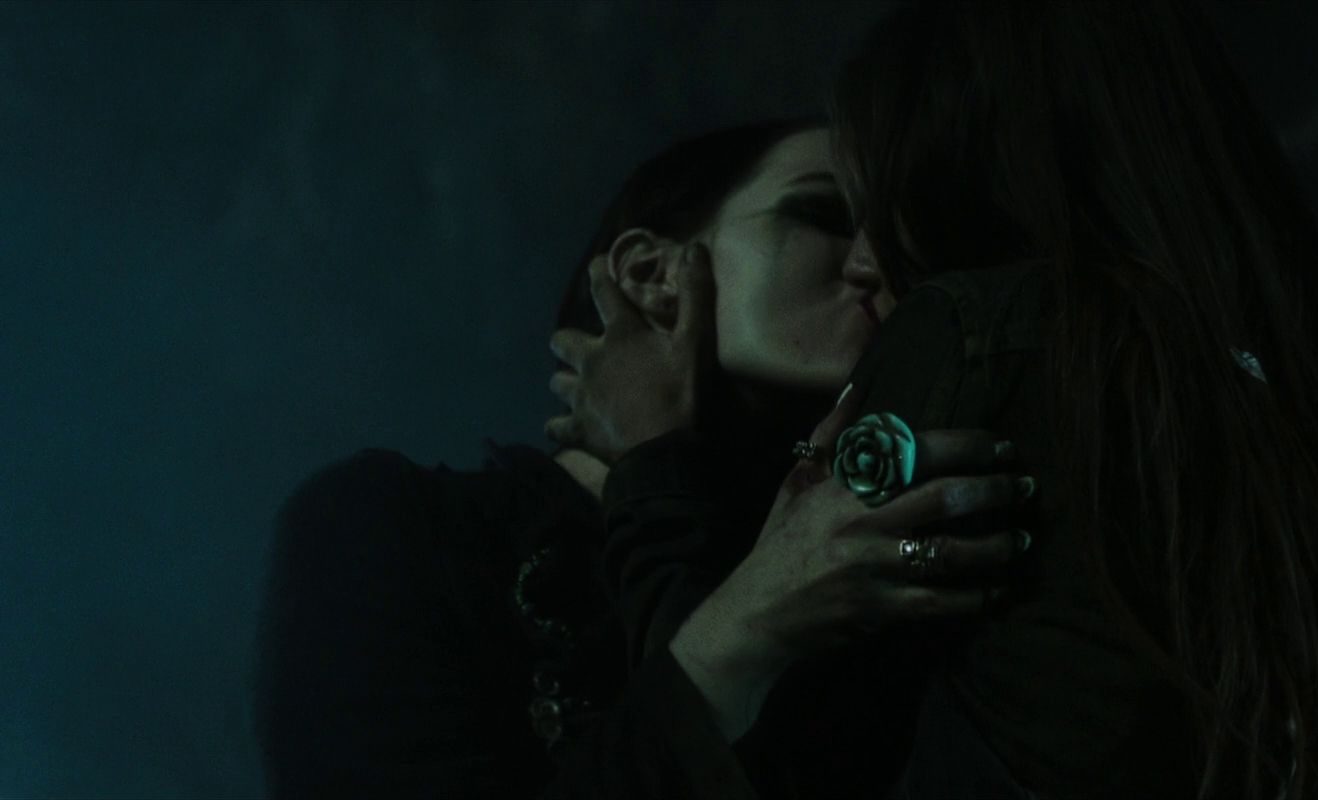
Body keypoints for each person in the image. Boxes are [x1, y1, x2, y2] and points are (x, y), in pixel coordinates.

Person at [562, 3, 1318, 799]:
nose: (864, 262)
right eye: (828, 217)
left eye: (868, 204)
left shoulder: (974, 339)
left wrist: (653, 466)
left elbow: (755, 758)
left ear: (956, 160)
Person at [252, 120, 1028, 798]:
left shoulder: (850, 581)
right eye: (822, 215)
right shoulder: (393, 529)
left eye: (897, 242)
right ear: (652, 274)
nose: (873, 266)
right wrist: (740, 603)